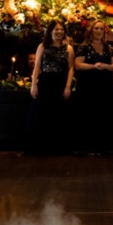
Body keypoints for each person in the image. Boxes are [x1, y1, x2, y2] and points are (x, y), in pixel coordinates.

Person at [25, 22, 74, 155]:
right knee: (41, 114)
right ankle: (41, 147)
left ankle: (57, 147)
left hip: (60, 83)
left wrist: (68, 86)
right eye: (56, 29)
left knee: (59, 115)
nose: (59, 31)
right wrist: (34, 85)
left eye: (62, 29)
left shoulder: (68, 48)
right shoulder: (43, 46)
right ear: (50, 31)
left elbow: (71, 68)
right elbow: (37, 66)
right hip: (45, 83)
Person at [72, 22, 113, 154]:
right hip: (88, 86)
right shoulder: (84, 47)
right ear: (91, 30)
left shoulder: (109, 48)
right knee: (88, 114)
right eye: (96, 28)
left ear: (104, 31)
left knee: (103, 115)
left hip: (105, 86)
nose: (99, 31)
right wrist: (94, 66)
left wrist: (105, 66)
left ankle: (102, 146)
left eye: (101, 28)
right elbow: (78, 65)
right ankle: (86, 146)